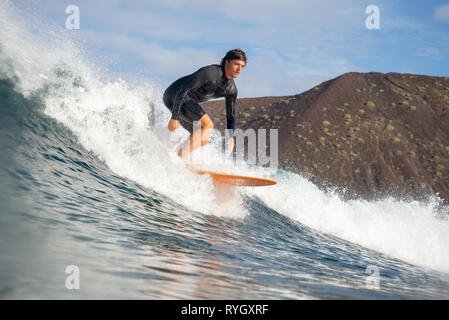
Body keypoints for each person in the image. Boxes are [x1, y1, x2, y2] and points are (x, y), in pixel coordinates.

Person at [163, 49, 246, 159]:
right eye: (236, 64)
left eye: (242, 66)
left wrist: (231, 137)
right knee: (208, 125)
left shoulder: (231, 90)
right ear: (227, 62)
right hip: (174, 95)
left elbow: (230, 115)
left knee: (203, 138)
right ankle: (180, 157)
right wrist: (174, 117)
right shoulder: (210, 73)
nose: (239, 69)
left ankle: (175, 154)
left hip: (186, 101)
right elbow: (184, 89)